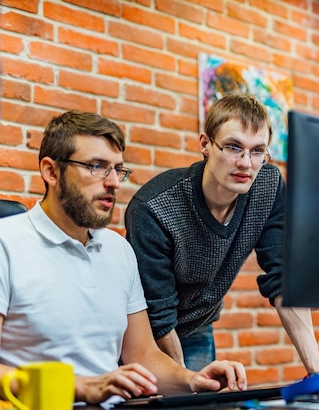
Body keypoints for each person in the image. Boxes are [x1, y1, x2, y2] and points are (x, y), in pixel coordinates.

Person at [0, 111, 246, 405]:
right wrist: (80, 387)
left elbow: (142, 355)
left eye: (118, 169)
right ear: (51, 172)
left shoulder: (118, 250)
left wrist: (191, 379)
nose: (115, 182)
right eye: (97, 167)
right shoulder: (7, 242)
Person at [125, 93, 319, 374]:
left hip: (198, 325)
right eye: (234, 147)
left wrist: (314, 365)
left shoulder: (267, 187)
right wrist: (184, 379)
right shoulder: (155, 207)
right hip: (146, 334)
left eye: (258, 151)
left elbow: (283, 277)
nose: (246, 163)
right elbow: (158, 311)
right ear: (205, 144)